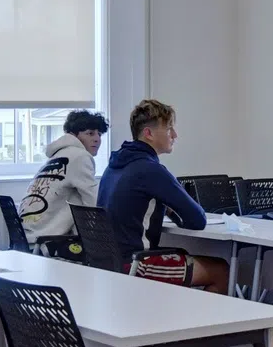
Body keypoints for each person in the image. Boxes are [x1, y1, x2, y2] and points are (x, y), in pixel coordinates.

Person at [93, 99, 229, 290]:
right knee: (220, 270)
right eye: (169, 129)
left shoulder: (114, 166)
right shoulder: (151, 170)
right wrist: (169, 209)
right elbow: (197, 219)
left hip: (107, 262)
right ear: (148, 133)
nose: (175, 135)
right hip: (135, 263)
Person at [15, 110, 108, 252]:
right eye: (90, 133)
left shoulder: (57, 156)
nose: (97, 139)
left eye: (99, 134)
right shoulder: (80, 156)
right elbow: (94, 204)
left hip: (26, 237)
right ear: (73, 135)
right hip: (46, 242)